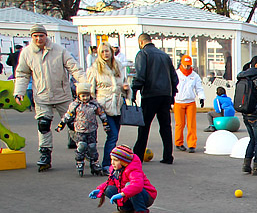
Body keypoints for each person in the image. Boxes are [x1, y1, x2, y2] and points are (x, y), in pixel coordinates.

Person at [13, 24, 85, 172]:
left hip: (62, 95)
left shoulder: (59, 50)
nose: (39, 38)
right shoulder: (26, 53)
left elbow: (74, 68)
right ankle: (45, 154)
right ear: (32, 37)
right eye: (36, 36)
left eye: (41, 35)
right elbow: (22, 74)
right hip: (42, 96)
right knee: (43, 124)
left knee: (72, 123)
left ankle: (82, 148)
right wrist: (19, 92)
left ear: (46, 36)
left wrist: (85, 86)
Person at [131, 33, 179, 164]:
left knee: (144, 126)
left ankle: (138, 156)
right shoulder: (164, 55)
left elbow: (140, 75)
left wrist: (134, 90)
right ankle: (168, 156)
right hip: (165, 95)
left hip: (150, 95)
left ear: (141, 42)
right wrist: (172, 94)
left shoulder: (143, 54)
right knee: (165, 126)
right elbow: (175, 78)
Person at [87, 42, 130, 175]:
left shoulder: (117, 65)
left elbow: (124, 81)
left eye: (107, 51)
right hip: (104, 105)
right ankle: (107, 164)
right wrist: (94, 106)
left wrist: (126, 89)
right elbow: (91, 89)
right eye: (103, 51)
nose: (105, 54)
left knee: (114, 135)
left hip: (118, 103)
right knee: (112, 135)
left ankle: (111, 163)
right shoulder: (95, 68)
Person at [89, 144, 157, 213]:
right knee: (109, 189)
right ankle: (127, 209)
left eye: (116, 160)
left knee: (130, 186)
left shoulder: (133, 170)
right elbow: (110, 182)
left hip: (146, 196)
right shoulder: (115, 170)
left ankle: (141, 212)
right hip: (129, 195)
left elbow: (136, 186)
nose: (112, 163)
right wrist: (100, 190)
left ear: (123, 161)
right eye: (112, 159)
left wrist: (122, 194)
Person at [55, 82, 110, 176]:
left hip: (92, 129)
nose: (85, 98)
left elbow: (102, 114)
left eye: (87, 95)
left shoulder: (94, 104)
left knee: (92, 147)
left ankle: (94, 163)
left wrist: (105, 124)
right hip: (80, 130)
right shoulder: (75, 105)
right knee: (81, 146)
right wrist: (61, 124)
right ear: (78, 95)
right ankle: (80, 162)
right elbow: (68, 115)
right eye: (83, 96)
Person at [173, 54, 205, 153]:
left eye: (189, 65)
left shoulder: (194, 76)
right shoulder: (176, 74)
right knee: (180, 124)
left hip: (190, 102)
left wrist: (201, 97)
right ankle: (179, 143)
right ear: (181, 64)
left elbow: (199, 88)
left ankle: (192, 144)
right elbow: (172, 86)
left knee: (191, 124)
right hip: (178, 102)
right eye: (185, 65)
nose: (187, 67)